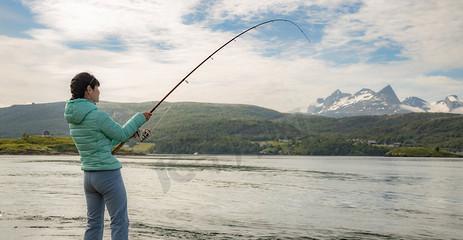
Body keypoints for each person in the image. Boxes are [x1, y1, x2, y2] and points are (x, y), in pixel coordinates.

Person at [64, 72, 152, 240]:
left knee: (94, 223)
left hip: (89, 178)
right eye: (97, 88)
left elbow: (104, 144)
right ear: (88, 89)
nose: (99, 92)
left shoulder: (73, 119)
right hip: (108, 176)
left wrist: (131, 134)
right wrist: (140, 118)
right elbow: (120, 133)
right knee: (119, 221)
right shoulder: (97, 115)